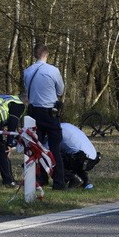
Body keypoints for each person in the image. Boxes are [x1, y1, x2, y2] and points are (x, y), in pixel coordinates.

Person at [22, 43, 67, 190]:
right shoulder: (53, 70)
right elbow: (60, 91)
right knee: (55, 147)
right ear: (46, 55)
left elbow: (27, 91)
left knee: (37, 148)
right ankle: (59, 182)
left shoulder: (27, 71)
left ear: (35, 55)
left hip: (33, 113)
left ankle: (40, 180)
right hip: (49, 113)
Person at [60, 122, 101, 189]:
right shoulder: (67, 125)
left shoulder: (56, 130)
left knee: (53, 158)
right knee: (70, 153)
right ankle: (84, 181)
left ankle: (72, 178)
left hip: (80, 159)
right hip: (92, 159)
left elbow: (47, 150)